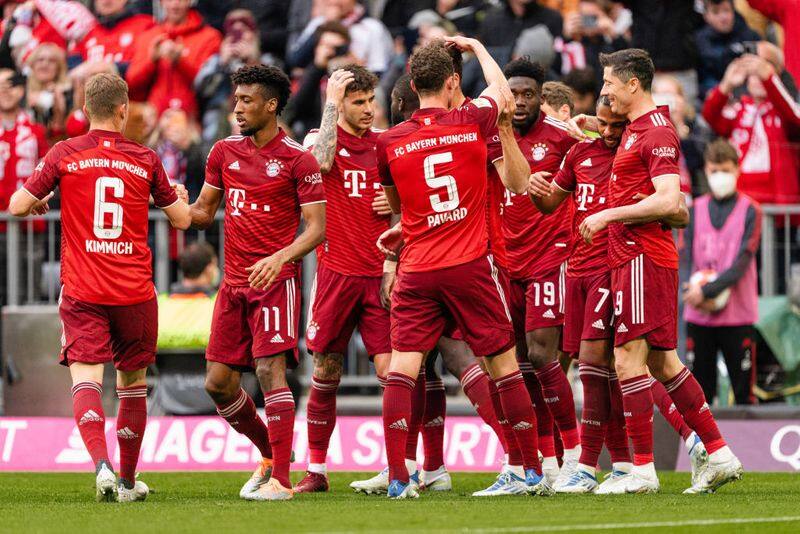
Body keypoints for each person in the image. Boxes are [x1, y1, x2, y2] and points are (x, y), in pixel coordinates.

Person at [356, 46, 531, 497]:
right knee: (503, 365)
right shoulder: (471, 119)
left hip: (417, 269)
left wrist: (404, 231)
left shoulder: (388, 141)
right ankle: (529, 470)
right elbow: (504, 95)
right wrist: (476, 49)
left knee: (402, 369)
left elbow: (399, 206)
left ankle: (398, 476)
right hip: (469, 263)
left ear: (412, 87)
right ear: (453, 82)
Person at [8, 72, 191, 502]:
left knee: (86, 380)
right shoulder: (144, 158)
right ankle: (128, 481)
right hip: (134, 291)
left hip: (83, 289)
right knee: (132, 384)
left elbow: (16, 205)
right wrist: (169, 197)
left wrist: (41, 197)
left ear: (87, 110)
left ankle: (101, 465)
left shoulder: (64, 153)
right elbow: (182, 219)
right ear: (124, 110)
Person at [576, 48, 742, 494]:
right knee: (662, 361)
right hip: (635, 257)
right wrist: (591, 127)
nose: (605, 89)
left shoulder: (657, 133)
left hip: (640, 256)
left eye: (610, 82)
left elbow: (672, 202)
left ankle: (642, 471)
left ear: (633, 84)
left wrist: (609, 215)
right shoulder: (635, 130)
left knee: (627, 359)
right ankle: (719, 454)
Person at [530, 96, 708, 494]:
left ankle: (588, 464)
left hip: (614, 269)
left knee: (614, 364)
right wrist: (533, 185)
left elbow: (678, 209)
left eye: (615, 125)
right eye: (602, 126)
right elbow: (548, 203)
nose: (608, 132)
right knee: (619, 367)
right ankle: (635, 460)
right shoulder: (580, 153)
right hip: (575, 269)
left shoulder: (636, 150)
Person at [189, 64, 325, 502]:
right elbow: (202, 214)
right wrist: (167, 198)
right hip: (233, 284)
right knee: (217, 383)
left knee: (270, 371)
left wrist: (280, 257)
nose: (238, 107)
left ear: (271, 105)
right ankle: (271, 456)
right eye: (236, 98)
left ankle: (282, 482)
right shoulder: (223, 153)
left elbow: (317, 228)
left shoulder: (297, 159)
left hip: (276, 281)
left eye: (247, 100)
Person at [293, 65, 392, 493]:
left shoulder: (386, 146)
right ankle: (317, 470)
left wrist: (396, 202)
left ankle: (398, 467)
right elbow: (318, 165)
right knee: (327, 371)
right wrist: (331, 106)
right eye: (358, 102)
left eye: (371, 101)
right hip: (335, 274)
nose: (369, 110)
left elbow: (412, 198)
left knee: (394, 374)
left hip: (380, 274)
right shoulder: (318, 138)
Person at [500, 57, 580, 487]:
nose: (519, 102)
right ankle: (544, 462)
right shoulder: (492, 135)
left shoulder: (563, 139)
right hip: (505, 261)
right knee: (517, 364)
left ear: (541, 97)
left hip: (551, 256)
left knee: (543, 356)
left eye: (528, 94)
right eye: (513, 93)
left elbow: (598, 148)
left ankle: (576, 458)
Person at [683, 138, 761, 405]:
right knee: (700, 396)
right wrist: (690, 291)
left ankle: (749, 447)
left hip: (737, 316)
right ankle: (707, 447)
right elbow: (686, 260)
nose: (720, 176)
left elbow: (742, 262)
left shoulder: (751, 210)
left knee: (743, 394)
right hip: (699, 314)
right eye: (715, 170)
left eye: (725, 170)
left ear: (737, 170)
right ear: (706, 169)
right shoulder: (694, 210)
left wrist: (705, 290)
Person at [702, 51, 800, 206]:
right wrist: (726, 85)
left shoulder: (783, 110)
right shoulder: (738, 110)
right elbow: (710, 116)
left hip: (779, 203)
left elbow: (795, 119)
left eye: (763, 70)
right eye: (754, 73)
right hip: (741, 200)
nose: (759, 78)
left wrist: (769, 79)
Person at [125, 0, 221, 118]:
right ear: (161, 2)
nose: (175, 4)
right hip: (153, 119)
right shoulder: (148, 36)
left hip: (191, 121)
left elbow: (209, 86)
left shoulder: (210, 37)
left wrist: (180, 61)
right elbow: (131, 83)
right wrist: (152, 60)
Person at [71, 0, 155, 78]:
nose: (106, 1)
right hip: (88, 92)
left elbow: (146, 65)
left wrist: (112, 68)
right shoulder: (85, 32)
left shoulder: (146, 26)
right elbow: (70, 70)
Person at [694, 0, 760, 98]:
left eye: (726, 11)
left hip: (746, 95)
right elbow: (699, 78)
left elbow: (755, 71)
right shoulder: (699, 41)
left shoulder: (749, 36)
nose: (723, 17)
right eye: (716, 12)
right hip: (712, 97)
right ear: (706, 16)